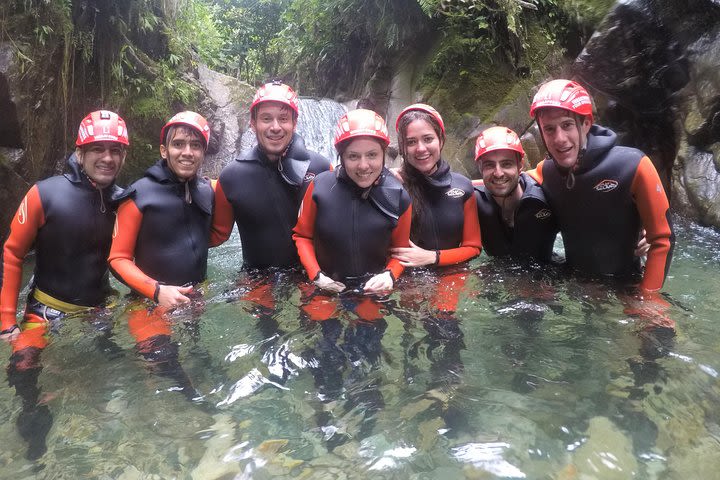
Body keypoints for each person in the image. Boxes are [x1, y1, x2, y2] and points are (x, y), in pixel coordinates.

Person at [0, 110, 129, 459]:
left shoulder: (124, 202)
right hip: (45, 309)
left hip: (99, 310)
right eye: (98, 149)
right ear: (80, 153)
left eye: (115, 150)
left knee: (120, 371)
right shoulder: (44, 194)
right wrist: (6, 321)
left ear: (124, 155)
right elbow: (12, 254)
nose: (107, 157)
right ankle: (33, 434)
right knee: (24, 373)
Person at [527, 79, 674, 293]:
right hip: (576, 286)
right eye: (549, 129)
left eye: (567, 125)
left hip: (627, 286)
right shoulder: (546, 171)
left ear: (586, 123)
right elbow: (506, 180)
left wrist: (649, 300)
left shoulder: (633, 165)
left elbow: (662, 239)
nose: (559, 138)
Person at [212, 80, 333, 269]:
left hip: (311, 279)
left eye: (283, 119)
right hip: (257, 282)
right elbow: (216, 235)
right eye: (266, 118)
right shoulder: (231, 177)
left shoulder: (321, 168)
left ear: (295, 123)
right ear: (253, 123)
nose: (275, 127)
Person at [109, 111, 214, 307]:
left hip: (195, 299)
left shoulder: (207, 190)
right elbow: (118, 258)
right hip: (149, 302)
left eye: (196, 145)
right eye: (178, 144)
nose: (187, 152)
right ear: (164, 151)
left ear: (203, 152)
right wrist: (156, 291)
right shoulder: (139, 194)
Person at [473, 126, 558, 262]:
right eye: (489, 165)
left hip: (548, 276)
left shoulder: (545, 198)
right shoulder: (472, 203)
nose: (498, 173)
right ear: (480, 168)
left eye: (506, 164)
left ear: (520, 166)